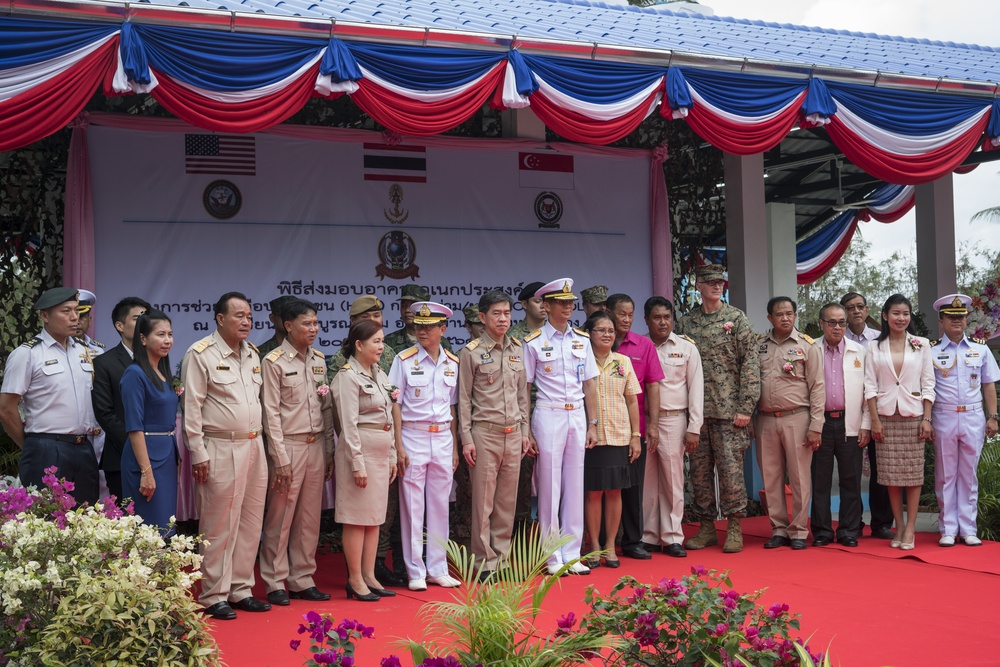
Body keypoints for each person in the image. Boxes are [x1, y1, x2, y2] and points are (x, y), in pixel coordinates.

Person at [181, 291, 269, 620]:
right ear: (220, 319)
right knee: (218, 524)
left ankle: (241, 588)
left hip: (254, 445)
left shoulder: (253, 354)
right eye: (238, 316)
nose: (246, 321)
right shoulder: (200, 354)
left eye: (249, 316)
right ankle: (213, 593)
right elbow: (192, 408)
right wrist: (198, 453)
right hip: (219, 445)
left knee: (250, 521)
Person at [675, 264, 760, 553]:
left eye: (719, 282)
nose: (716, 286)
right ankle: (707, 527)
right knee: (699, 473)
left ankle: (735, 527)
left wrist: (745, 407)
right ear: (698, 286)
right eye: (709, 282)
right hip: (697, 414)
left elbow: (750, 364)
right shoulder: (686, 325)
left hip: (729, 413)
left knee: (731, 472)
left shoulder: (736, 319)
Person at [260, 299, 336, 606]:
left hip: (316, 444)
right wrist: (280, 459)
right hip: (288, 445)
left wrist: (329, 449)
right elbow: (270, 415)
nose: (313, 329)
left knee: (309, 518)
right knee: (281, 516)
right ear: (288, 326)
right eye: (307, 323)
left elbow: (326, 406)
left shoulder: (318, 359)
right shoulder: (274, 361)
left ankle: (302, 578)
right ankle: (274, 579)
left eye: (316, 323)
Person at [326, 295, 404, 587]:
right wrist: (357, 463)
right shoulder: (348, 376)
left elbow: (389, 418)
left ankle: (370, 575)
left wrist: (393, 455)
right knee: (357, 518)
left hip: (381, 454)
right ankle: (355, 578)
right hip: (359, 455)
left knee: (374, 518)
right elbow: (348, 425)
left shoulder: (381, 374)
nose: (381, 347)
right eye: (375, 342)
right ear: (359, 345)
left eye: (383, 341)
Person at [523, 278, 600, 575]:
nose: (568, 307)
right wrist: (527, 428)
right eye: (562, 302)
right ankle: (551, 555)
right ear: (547, 306)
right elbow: (524, 388)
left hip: (576, 415)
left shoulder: (581, 339)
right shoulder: (533, 342)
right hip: (548, 413)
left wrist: (592, 423)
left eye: (570, 302)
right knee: (549, 486)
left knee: (574, 484)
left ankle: (571, 553)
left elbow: (590, 383)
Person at [1, 288, 100, 504]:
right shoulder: (27, 354)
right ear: (44, 316)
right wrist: (29, 446)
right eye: (66, 311)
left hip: (84, 447)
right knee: (46, 519)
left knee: (86, 518)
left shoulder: (85, 352)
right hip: (45, 447)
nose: (74, 317)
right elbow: (6, 409)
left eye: (76, 310)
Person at [458, 290, 530, 581]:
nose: (503, 319)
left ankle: (501, 559)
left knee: (506, 503)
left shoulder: (516, 349)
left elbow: (523, 395)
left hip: (513, 434)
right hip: (484, 434)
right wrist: (466, 439)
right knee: (483, 502)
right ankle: (483, 561)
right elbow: (463, 399)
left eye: (507, 313)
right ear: (482, 317)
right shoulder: (471, 352)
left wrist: (526, 432)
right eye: (497, 314)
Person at [389, 302, 461, 590]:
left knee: (440, 505)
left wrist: (454, 446)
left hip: (443, 436)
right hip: (413, 434)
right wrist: (398, 446)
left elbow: (453, 407)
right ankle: (415, 570)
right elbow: (395, 404)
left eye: (429, 327)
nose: (422, 331)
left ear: (442, 329)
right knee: (412, 506)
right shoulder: (404, 360)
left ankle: (438, 567)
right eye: (419, 326)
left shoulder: (452, 363)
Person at [864, 294, 935, 551]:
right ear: (885, 315)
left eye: (905, 314)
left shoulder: (921, 344)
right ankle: (899, 525)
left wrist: (927, 418)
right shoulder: (874, 346)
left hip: (914, 416)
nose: (901, 318)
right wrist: (874, 420)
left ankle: (911, 528)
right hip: (884, 416)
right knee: (891, 476)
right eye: (896, 313)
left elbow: (928, 383)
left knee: (913, 476)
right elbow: (869, 385)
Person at [929, 294, 999, 547]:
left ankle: (968, 528)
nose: (956, 321)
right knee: (946, 474)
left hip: (973, 416)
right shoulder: (932, 350)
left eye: (960, 317)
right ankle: (948, 528)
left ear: (967, 319)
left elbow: (988, 385)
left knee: (968, 475)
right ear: (941, 320)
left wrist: (993, 417)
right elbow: (927, 388)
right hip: (944, 415)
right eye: (951, 317)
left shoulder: (980, 349)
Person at [755, 297, 825, 551]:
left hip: (797, 417)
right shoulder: (759, 345)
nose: (785, 318)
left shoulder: (807, 346)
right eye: (779, 314)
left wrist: (816, 425)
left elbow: (818, 388)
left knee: (799, 477)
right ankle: (778, 528)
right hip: (765, 419)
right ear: (769, 318)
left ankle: (798, 530)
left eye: (789, 313)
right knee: (771, 477)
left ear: (795, 315)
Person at [642, 296, 703, 558]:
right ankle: (649, 536)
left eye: (667, 317)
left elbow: (696, 388)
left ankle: (673, 536)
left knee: (672, 480)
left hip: (674, 419)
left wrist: (694, 426)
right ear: (647, 320)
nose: (663, 322)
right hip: (643, 421)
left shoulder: (686, 348)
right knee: (646, 482)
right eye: (657, 317)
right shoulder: (638, 346)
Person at [581, 311, 641, 569]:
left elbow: (631, 399)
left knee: (615, 491)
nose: (607, 334)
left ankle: (609, 546)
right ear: (589, 333)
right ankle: (593, 545)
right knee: (594, 492)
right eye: (601, 330)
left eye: (611, 331)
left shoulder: (623, 362)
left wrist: (635, 435)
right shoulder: (581, 360)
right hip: (591, 436)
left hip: (618, 434)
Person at [606, 292, 662, 560]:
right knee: (601, 485)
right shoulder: (591, 342)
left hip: (633, 426)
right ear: (608, 312)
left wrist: (653, 425)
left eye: (630, 314)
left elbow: (652, 384)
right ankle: (599, 542)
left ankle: (632, 541)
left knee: (633, 485)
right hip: (603, 426)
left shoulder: (643, 345)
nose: (626, 319)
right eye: (621, 314)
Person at [811, 303, 870, 548]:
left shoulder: (859, 351)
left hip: (850, 422)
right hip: (820, 423)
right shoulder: (810, 349)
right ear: (821, 323)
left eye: (842, 322)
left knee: (851, 479)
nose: (837, 327)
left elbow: (869, 391)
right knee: (820, 480)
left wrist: (866, 424)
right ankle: (823, 531)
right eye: (832, 322)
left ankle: (848, 530)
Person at [120, 310, 179, 534]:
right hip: (146, 457)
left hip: (166, 455)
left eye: (170, 334)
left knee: (165, 523)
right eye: (160, 334)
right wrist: (146, 471)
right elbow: (134, 426)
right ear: (143, 338)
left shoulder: (163, 372)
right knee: (147, 526)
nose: (167, 340)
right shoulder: (135, 374)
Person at [841, 291, 893, 540]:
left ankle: (881, 523)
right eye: (850, 308)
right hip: (849, 412)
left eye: (860, 306)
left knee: (880, 467)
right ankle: (854, 521)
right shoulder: (837, 338)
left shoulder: (879, 339)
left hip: (877, 412)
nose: (856, 311)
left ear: (868, 309)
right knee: (850, 470)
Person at [92, 296, 151, 502]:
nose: (144, 322)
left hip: (158, 456)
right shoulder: (104, 363)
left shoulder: (158, 361)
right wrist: (136, 445)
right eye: (137, 318)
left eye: (147, 317)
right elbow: (104, 412)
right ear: (119, 325)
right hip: (122, 455)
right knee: (128, 521)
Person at [507, 280, 545, 529]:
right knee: (521, 474)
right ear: (524, 304)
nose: (543, 306)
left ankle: (553, 527)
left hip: (553, 412)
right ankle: (520, 527)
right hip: (523, 413)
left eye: (547, 301)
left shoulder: (558, 334)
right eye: (538, 301)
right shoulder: (513, 338)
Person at [385, 285, 453, 355]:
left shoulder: (442, 342)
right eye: (403, 306)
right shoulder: (389, 341)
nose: (407, 310)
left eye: (412, 306)